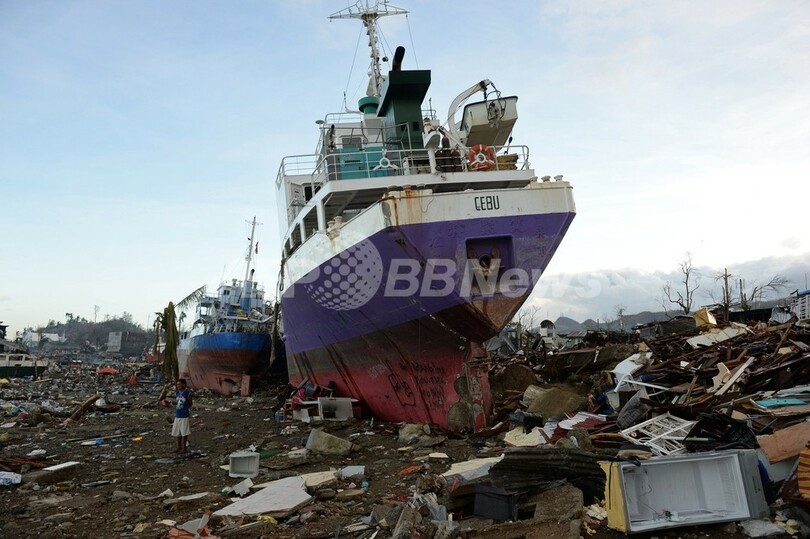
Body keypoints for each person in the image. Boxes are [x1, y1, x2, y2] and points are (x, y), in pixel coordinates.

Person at [171, 378, 193, 453]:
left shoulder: (187, 392)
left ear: (184, 384)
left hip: (184, 415)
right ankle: (179, 447)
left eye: (179, 384)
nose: (178, 386)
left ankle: (184, 448)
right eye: (177, 384)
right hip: (178, 414)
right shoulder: (178, 392)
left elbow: (190, 403)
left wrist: (185, 408)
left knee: (184, 432)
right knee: (178, 432)